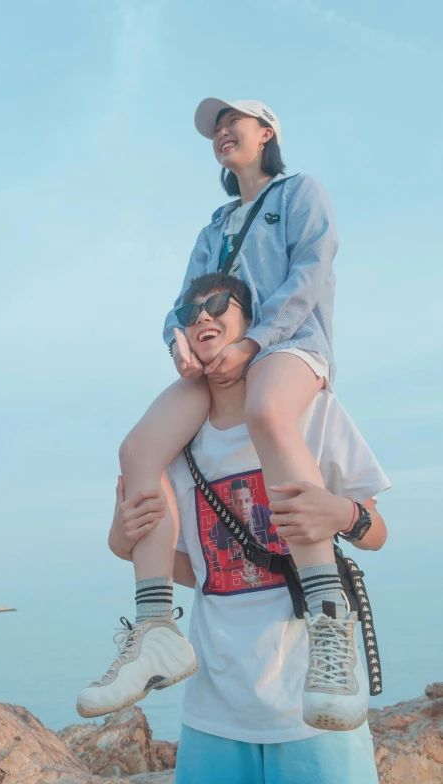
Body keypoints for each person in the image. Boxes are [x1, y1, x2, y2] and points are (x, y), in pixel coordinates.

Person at [79, 97, 361, 727]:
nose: (221, 132)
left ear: (267, 133)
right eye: (214, 128)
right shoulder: (213, 226)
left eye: (235, 121)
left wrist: (254, 342)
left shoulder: (299, 192)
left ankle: (326, 617)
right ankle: (156, 629)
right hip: (217, 359)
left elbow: (313, 270)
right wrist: (178, 343)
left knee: (266, 407)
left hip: (286, 345)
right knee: (139, 449)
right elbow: (182, 302)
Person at [95, 274, 388, 783]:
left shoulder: (305, 414)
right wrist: (123, 546)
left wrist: (344, 514)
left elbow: (376, 532)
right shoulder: (173, 448)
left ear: (251, 323)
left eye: (216, 305)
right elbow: (198, 569)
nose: (202, 316)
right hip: (214, 711)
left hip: (315, 704)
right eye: (189, 315)